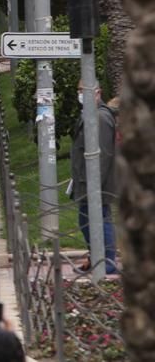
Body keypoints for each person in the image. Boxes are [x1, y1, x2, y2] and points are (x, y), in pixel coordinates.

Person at [70, 83, 118, 274]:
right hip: (85, 180)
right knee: (87, 220)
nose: (80, 94)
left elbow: (104, 154)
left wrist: (94, 183)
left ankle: (106, 262)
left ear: (97, 93)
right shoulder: (90, 114)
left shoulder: (100, 117)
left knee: (99, 218)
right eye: (78, 90)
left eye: (83, 90)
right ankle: (96, 258)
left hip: (96, 182)